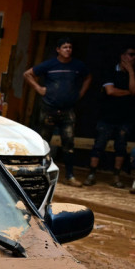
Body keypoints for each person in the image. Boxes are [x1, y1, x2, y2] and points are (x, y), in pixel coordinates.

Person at [24, 38, 92, 186]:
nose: (68, 49)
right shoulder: (50, 64)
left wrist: (80, 94)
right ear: (58, 50)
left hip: (68, 110)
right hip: (49, 109)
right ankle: (38, 174)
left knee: (69, 142)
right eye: (65, 47)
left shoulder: (77, 66)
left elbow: (88, 77)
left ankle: (70, 176)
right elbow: (27, 74)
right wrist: (39, 89)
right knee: (43, 143)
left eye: (70, 47)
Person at [87, 46, 135, 188]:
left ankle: (116, 176)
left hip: (125, 118)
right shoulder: (109, 71)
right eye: (131, 54)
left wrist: (131, 72)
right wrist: (128, 92)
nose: (133, 57)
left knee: (121, 147)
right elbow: (110, 91)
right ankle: (91, 173)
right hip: (107, 116)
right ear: (122, 56)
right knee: (99, 145)